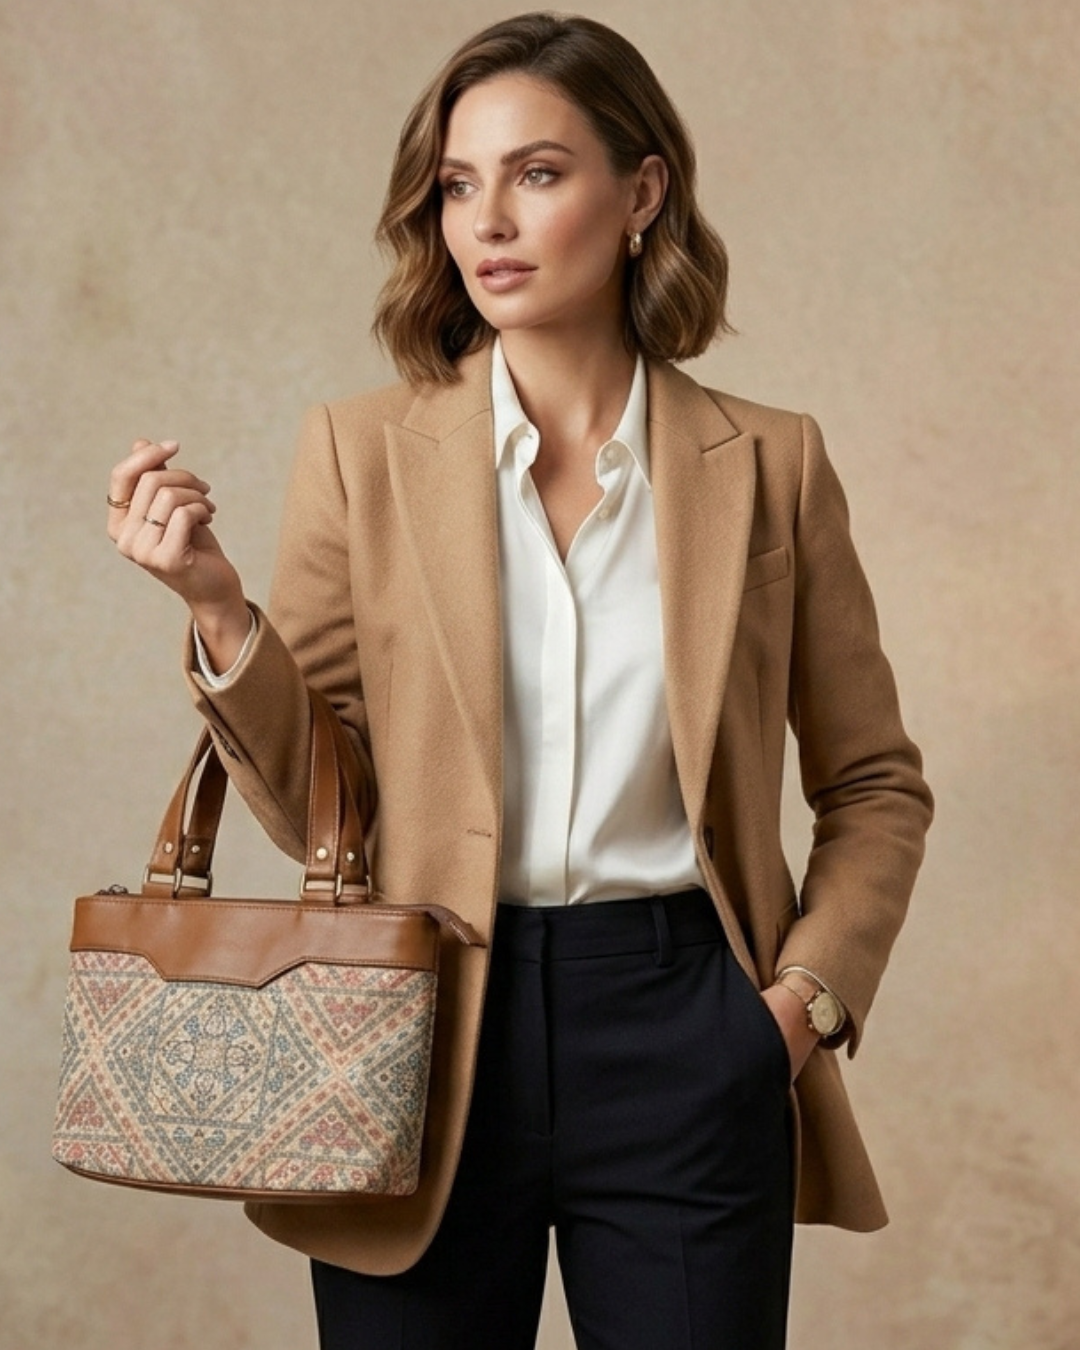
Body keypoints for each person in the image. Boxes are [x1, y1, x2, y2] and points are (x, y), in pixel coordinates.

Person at [105, 13, 933, 1349]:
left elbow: (875, 779)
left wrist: (791, 1012)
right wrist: (215, 604)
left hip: (685, 1021)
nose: (487, 218)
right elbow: (323, 797)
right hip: (410, 1031)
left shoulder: (771, 464)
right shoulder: (360, 453)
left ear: (642, 191)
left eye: (538, 173)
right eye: (457, 182)